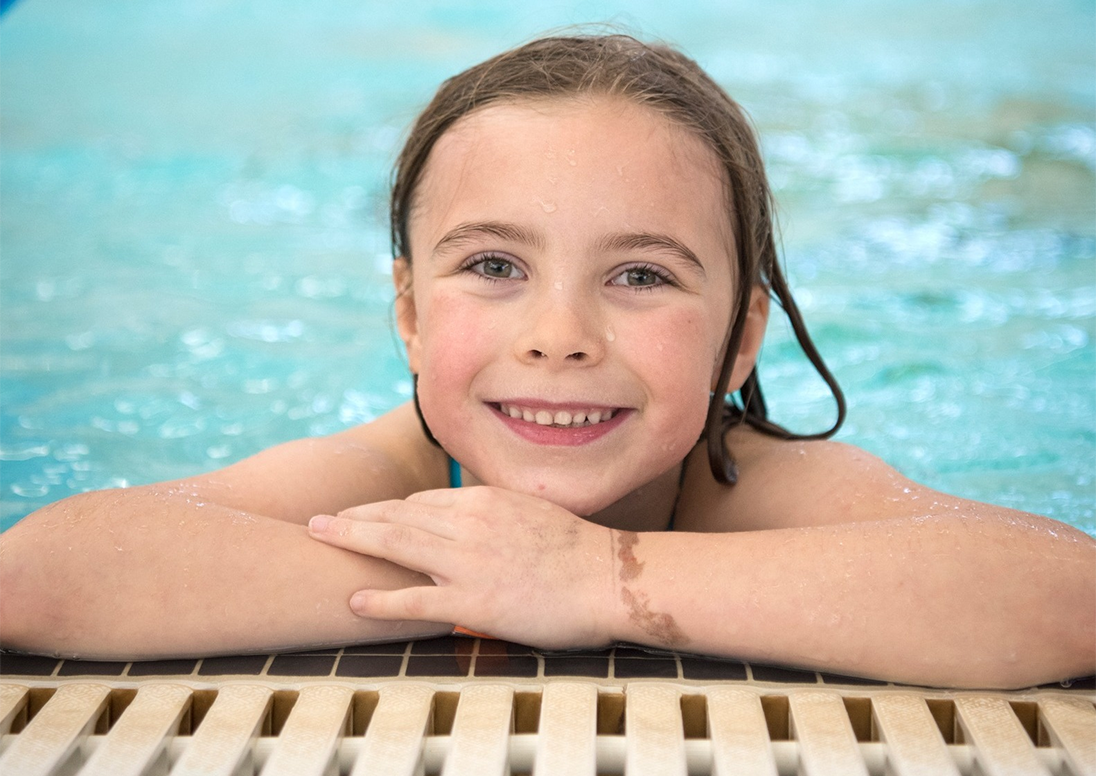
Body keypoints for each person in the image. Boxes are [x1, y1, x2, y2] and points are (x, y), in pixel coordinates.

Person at [1, 33, 1092, 689]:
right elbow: (42, 574)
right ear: (411, 315)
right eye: (491, 265)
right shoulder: (395, 476)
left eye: (640, 276)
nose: (557, 334)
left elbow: (1064, 596)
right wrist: (488, 582)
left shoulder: (745, 486)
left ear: (741, 336)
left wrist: (598, 580)